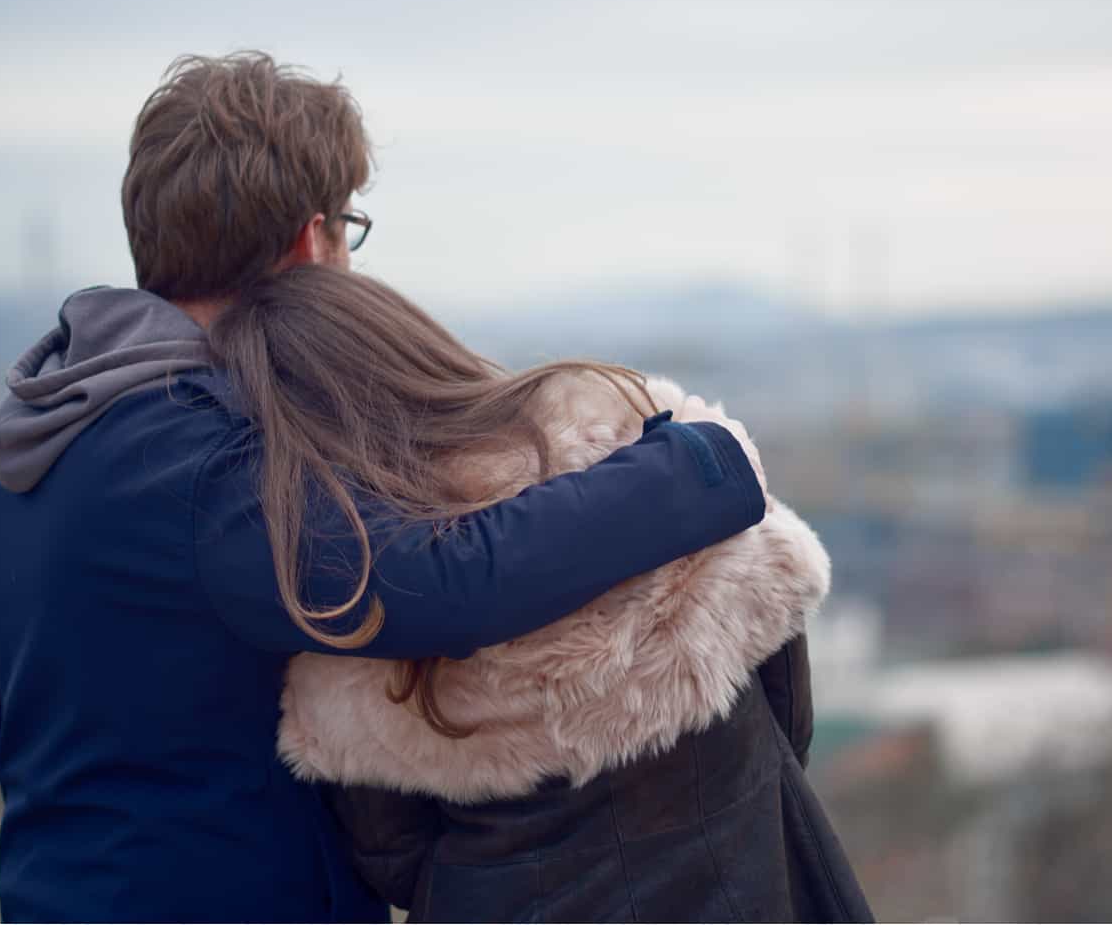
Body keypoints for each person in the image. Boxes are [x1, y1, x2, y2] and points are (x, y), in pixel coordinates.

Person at [0, 52, 768, 922]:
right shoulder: (198, 464)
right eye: (349, 227)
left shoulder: (38, 433)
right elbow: (450, 580)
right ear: (312, 242)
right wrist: (701, 463)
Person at [211, 267, 874, 922]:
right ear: (416, 346)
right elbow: (787, 703)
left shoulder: (348, 612)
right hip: (736, 886)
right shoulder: (628, 438)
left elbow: (394, 859)